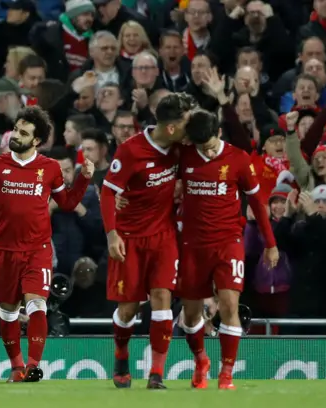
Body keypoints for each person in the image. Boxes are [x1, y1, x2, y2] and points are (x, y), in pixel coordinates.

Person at [0, 106, 94, 383]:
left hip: (37, 250)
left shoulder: (50, 168)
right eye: (17, 129)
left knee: (36, 305)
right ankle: (16, 367)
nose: (16, 135)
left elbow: (66, 203)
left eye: (24, 133)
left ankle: (33, 366)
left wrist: (84, 179)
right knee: (7, 311)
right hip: (3, 250)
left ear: (37, 141)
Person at [177, 109, 279, 389]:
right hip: (192, 245)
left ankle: (226, 374)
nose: (207, 154)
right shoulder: (183, 155)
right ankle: (200, 360)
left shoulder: (238, 159)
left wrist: (271, 244)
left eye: (210, 147)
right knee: (190, 314)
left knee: (229, 304)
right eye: (201, 148)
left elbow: (257, 203)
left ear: (219, 133)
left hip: (228, 242)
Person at [100, 92, 195, 389]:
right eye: (185, 123)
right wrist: (112, 234)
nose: (189, 129)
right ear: (170, 127)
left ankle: (156, 374)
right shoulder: (131, 151)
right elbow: (107, 193)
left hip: (164, 236)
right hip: (129, 239)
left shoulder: (181, 147)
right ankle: (121, 356)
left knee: (162, 299)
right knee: (129, 309)